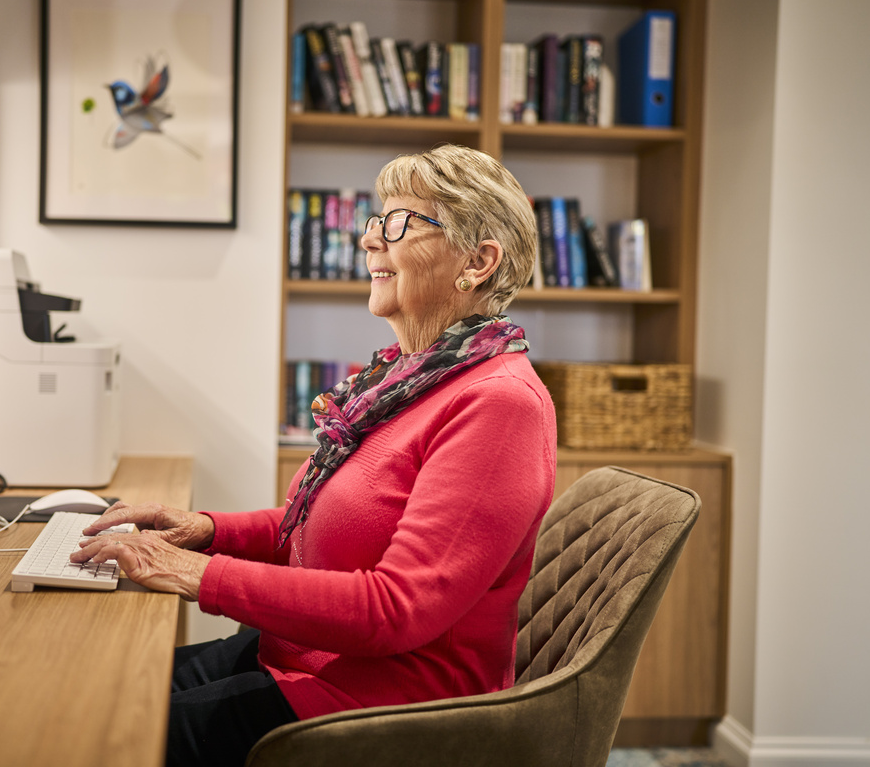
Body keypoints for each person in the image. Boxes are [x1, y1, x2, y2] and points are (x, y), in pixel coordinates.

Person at [72, 143, 557, 767]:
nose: (371, 242)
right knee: (99, 687)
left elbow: (395, 609)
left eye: (401, 223)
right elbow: (312, 527)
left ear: (478, 261)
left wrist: (197, 574)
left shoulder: (500, 405)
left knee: (98, 734)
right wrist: (204, 530)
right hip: (298, 655)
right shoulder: (403, 384)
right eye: (375, 222)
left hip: (387, 708)